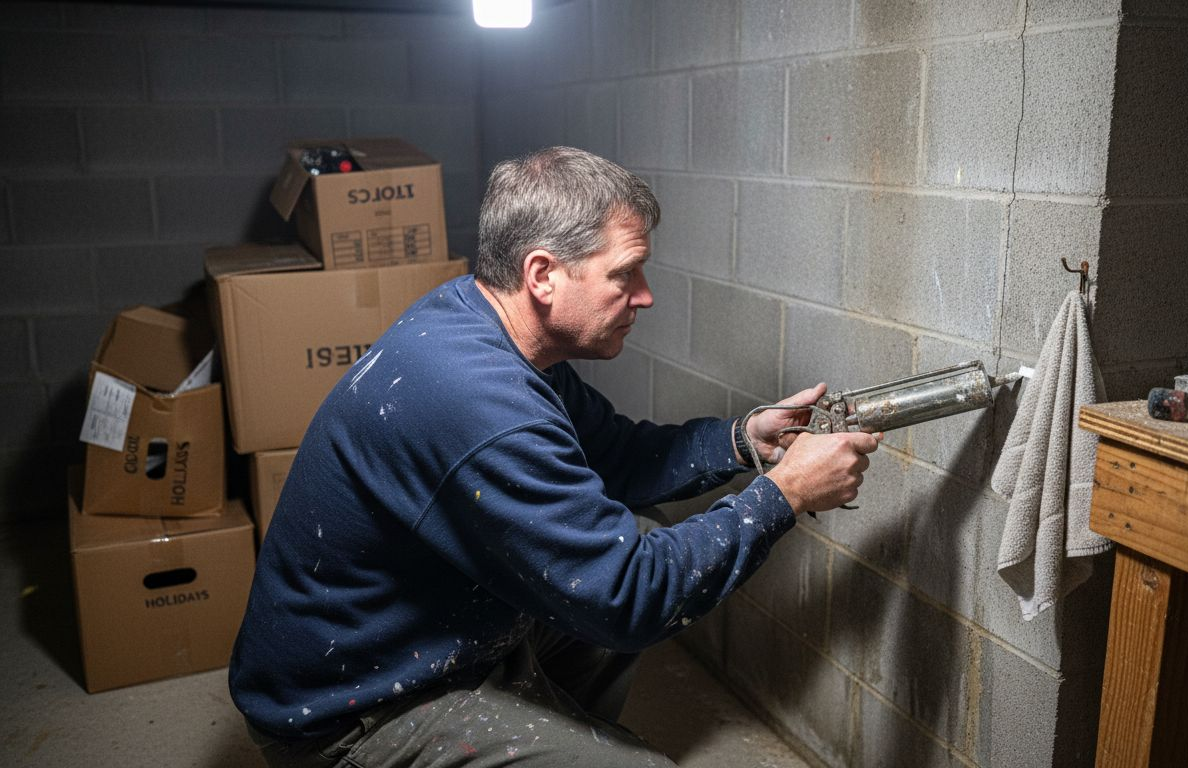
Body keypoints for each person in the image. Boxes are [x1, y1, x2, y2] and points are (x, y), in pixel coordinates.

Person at [229, 146, 880, 767]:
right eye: (624, 274)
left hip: (412, 638)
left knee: (635, 541)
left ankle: (558, 735)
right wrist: (786, 493)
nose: (645, 295)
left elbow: (618, 458)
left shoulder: (481, 321)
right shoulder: (482, 406)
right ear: (542, 274)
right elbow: (630, 596)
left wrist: (744, 439)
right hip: (353, 708)